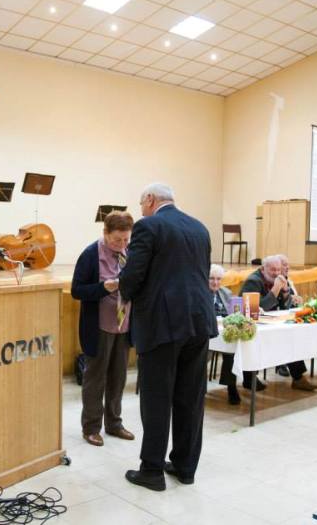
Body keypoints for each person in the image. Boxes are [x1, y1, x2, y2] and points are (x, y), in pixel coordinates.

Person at [119, 183, 217, 491]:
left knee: (156, 399)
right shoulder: (199, 228)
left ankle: (152, 470)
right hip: (199, 321)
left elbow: (133, 275)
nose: (141, 209)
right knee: (190, 398)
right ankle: (185, 467)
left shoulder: (148, 226)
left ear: (150, 200)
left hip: (162, 324)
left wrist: (124, 291)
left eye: (141, 203)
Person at [71, 211, 135, 447]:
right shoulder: (90, 254)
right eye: (117, 239)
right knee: (95, 379)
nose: (122, 244)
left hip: (124, 325)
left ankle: (114, 423)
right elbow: (77, 290)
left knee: (118, 378)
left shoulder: (130, 252)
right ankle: (91, 427)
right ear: (105, 233)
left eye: (126, 239)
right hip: (99, 327)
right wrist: (102, 288)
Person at [239, 255, 317, 391]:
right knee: (262, 338)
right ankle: (249, 379)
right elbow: (258, 308)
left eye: (278, 270)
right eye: (273, 270)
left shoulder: (278, 279)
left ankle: (298, 378)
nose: (276, 273)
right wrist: (275, 290)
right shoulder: (253, 281)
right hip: (250, 325)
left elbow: (284, 306)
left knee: (290, 336)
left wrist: (286, 292)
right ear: (263, 269)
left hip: (270, 322)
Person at [210, 264, 266, 405]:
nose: (216, 282)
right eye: (212, 279)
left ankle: (235, 385)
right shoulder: (201, 294)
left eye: (218, 279)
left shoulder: (225, 292)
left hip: (224, 331)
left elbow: (236, 311)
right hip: (208, 333)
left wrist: (255, 308)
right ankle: (235, 385)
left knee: (237, 343)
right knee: (231, 344)